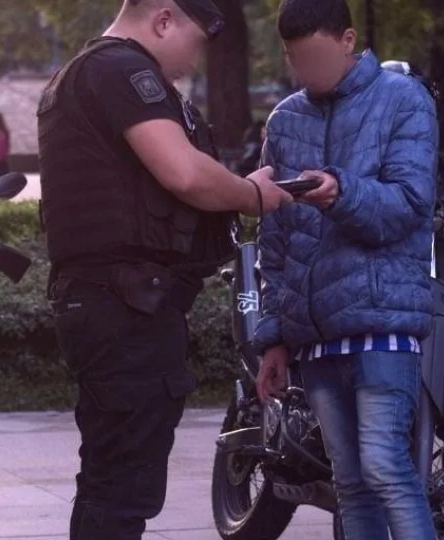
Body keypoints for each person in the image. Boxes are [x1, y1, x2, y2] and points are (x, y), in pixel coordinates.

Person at [35, 1, 291, 538]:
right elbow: (183, 172)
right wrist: (251, 195)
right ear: (164, 19)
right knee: (122, 488)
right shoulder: (121, 69)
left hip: (109, 301)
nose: (193, 60)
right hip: (126, 308)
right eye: (194, 42)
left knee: (110, 480)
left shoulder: (85, 72)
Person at [251, 0, 438, 538]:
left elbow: (409, 205)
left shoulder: (404, 99)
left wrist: (341, 194)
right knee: (350, 483)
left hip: (382, 323)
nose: (306, 71)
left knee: (385, 467)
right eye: (295, 59)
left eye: (315, 56)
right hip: (315, 335)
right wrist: (274, 337)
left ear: (349, 40)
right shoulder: (285, 119)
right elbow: (274, 239)